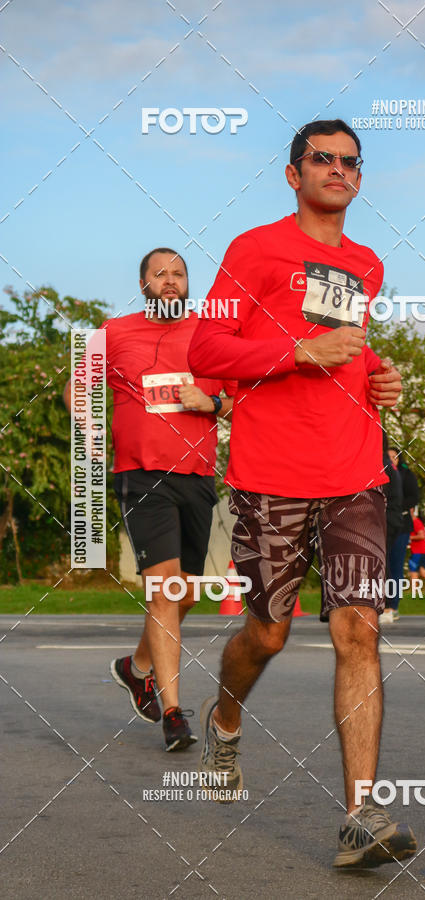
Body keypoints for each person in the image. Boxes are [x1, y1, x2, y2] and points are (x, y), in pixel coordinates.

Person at [187, 119, 417, 868]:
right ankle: (224, 721)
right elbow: (207, 350)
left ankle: (360, 819)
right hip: (270, 474)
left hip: (356, 472)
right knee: (269, 633)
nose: (339, 170)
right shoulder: (254, 250)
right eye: (323, 159)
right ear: (293, 174)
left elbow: (347, 343)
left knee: (359, 630)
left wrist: (380, 374)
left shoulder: (366, 263)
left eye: (351, 162)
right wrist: (296, 354)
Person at [64, 248, 235, 750]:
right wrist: (90, 428)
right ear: (142, 285)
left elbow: (246, 397)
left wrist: (215, 402)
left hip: (199, 476)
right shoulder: (112, 331)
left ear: (188, 284)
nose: (169, 281)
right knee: (163, 592)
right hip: (141, 476)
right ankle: (174, 713)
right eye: (159, 274)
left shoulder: (212, 333)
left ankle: (136, 667)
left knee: (185, 594)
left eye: (178, 274)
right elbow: (79, 389)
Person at [380, 447, 420, 623]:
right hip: (383, 524)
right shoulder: (382, 472)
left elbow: (414, 497)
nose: (391, 459)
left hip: (401, 524)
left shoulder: (405, 474)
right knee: (383, 565)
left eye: (393, 457)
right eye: (387, 457)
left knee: (396, 565)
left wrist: (397, 504)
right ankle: (381, 603)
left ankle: (393, 606)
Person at [379, 434, 404, 625]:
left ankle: (387, 606)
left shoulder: (382, 465)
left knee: (383, 563)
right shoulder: (388, 464)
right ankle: (386, 605)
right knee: (384, 562)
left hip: (386, 519)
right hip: (391, 519)